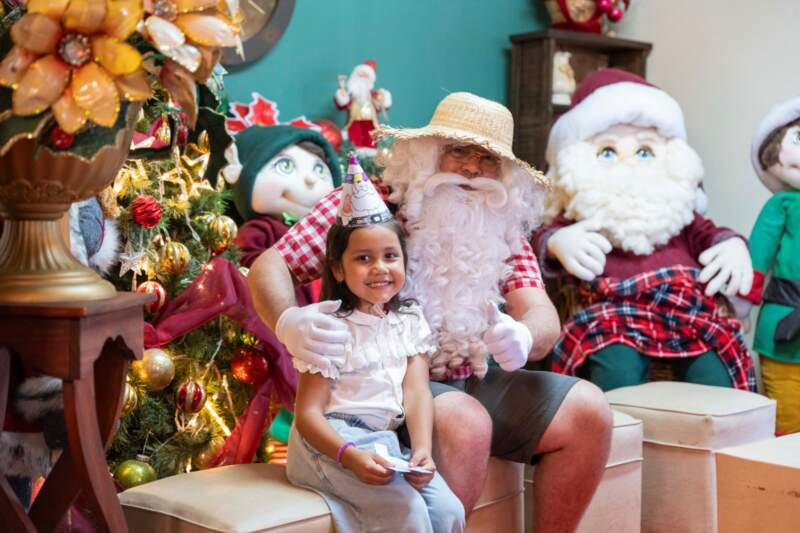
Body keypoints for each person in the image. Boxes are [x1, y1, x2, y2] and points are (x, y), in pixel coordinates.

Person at [250, 92, 612, 533]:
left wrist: (523, 334)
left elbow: (540, 312)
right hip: (382, 387)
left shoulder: (496, 219)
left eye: (487, 158)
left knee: (589, 409)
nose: (473, 168)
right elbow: (271, 265)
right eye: (459, 150)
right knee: (464, 419)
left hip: (469, 376)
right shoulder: (371, 204)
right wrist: (288, 321)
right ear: (427, 152)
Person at [534, 68, 756, 392]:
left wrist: (733, 244)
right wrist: (556, 242)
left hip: (688, 309)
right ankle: (620, 438)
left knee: (716, 374)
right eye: (607, 151)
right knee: (616, 371)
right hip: (615, 311)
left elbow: (707, 233)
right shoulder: (584, 208)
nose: (629, 162)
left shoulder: (679, 210)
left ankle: (718, 437)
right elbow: (540, 235)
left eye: (645, 151)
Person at [286, 156, 465, 532]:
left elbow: (416, 393)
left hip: (384, 440)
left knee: (449, 511)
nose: (380, 268)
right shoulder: (329, 326)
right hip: (331, 441)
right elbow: (308, 416)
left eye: (390, 256)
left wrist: (422, 451)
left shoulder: (409, 320)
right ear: (339, 269)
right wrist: (348, 456)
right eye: (363, 259)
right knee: (407, 513)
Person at [747, 96, 800, 434]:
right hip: (786, 328)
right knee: (789, 421)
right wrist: (740, 302)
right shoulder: (782, 204)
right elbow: (757, 256)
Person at [334, 60, 392, 152]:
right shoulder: (350, 95)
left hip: (371, 122)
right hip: (354, 122)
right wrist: (342, 97)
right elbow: (341, 105)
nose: (362, 78)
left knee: (371, 140)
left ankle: (371, 155)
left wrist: (384, 98)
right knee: (355, 141)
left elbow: (384, 105)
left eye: (365, 76)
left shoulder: (373, 95)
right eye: (360, 75)